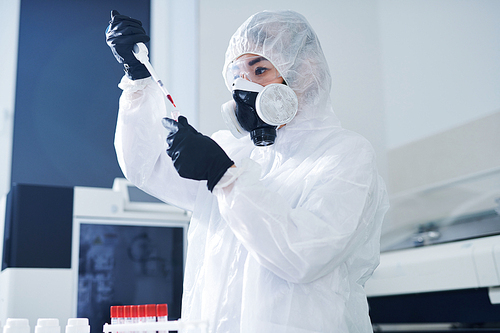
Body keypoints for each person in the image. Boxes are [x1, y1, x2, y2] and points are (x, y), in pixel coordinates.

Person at [106, 9, 389, 332]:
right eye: (237, 75)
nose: (245, 87)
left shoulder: (345, 154)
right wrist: (139, 78)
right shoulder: (233, 151)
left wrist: (224, 176)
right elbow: (146, 167)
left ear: (305, 72)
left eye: (260, 70)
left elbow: (303, 255)